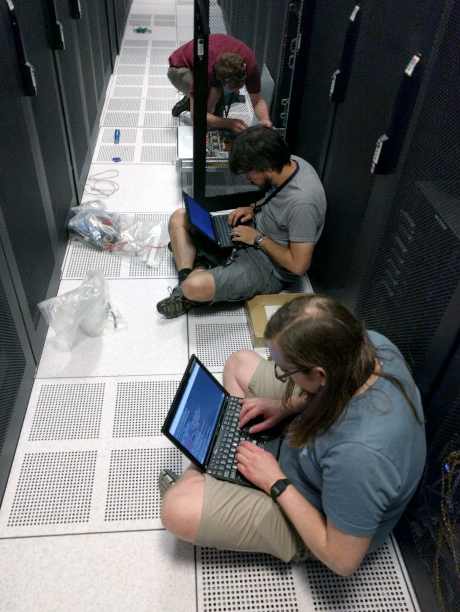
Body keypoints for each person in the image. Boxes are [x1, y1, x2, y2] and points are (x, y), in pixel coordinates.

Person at [159, 295, 426, 576]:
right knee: (239, 363)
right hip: (312, 446)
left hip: (314, 512)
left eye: (286, 372)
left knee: (176, 510)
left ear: (318, 374)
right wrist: (284, 406)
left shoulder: (359, 456)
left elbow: (342, 560)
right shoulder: (368, 344)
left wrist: (275, 482)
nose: (281, 376)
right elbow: (335, 387)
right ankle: (221, 460)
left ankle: (213, 470)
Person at [156, 126, 326, 319]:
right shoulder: (290, 163)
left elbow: (299, 266)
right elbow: (277, 196)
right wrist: (253, 207)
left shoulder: (303, 204)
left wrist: (258, 239)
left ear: (268, 167)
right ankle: (190, 278)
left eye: (249, 173)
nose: (246, 178)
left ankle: (194, 277)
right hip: (250, 232)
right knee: (179, 217)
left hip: (267, 266)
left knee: (194, 287)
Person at [168, 33, 272, 133]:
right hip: (179, 69)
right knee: (212, 98)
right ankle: (191, 99)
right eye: (231, 88)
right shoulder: (206, 70)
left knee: (216, 102)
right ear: (219, 77)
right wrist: (229, 123)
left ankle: (192, 98)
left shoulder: (250, 64)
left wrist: (265, 119)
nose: (237, 91)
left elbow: (257, 100)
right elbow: (198, 116)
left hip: (207, 66)